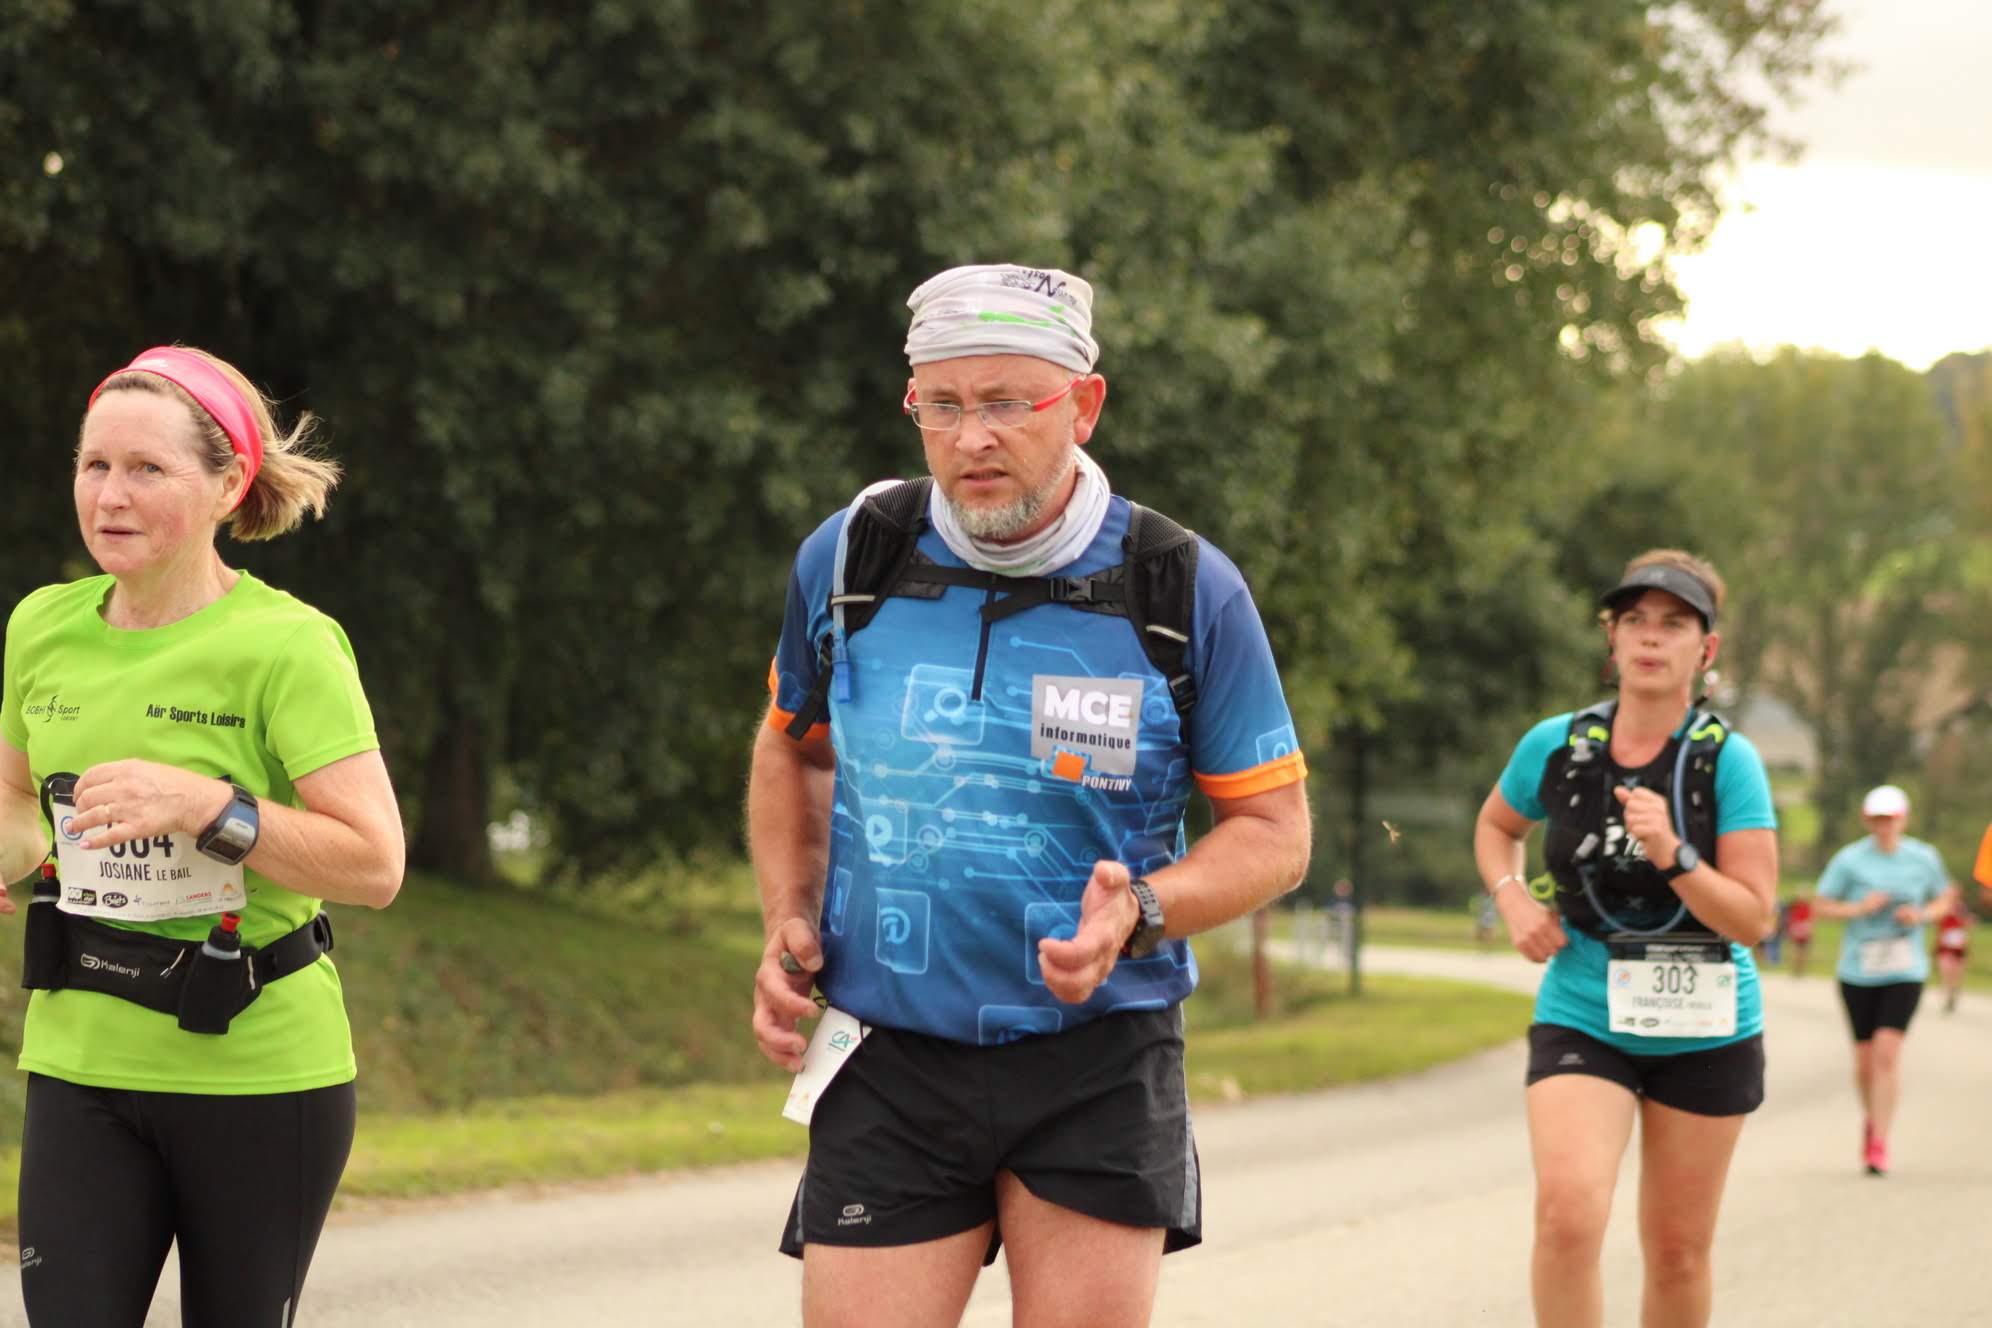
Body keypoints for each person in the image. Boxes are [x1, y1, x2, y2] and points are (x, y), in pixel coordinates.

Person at [747, 264, 1311, 1328]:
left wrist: (1142, 910)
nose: (972, 438)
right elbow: (794, 749)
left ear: (1083, 405)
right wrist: (789, 910)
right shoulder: (854, 554)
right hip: (888, 1047)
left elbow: (1275, 832)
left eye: (1008, 402)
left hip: (1099, 1052)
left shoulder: (1180, 583)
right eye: (943, 405)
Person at [0, 346, 405, 1325]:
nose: (111, 495)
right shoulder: (42, 625)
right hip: (81, 1058)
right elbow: (15, 803)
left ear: (228, 486)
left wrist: (208, 807)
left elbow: (375, 863)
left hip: (257, 1068)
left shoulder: (288, 645)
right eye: (94, 465)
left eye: (147, 468)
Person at [1472, 550, 1778, 1328]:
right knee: (1568, 1216)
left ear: (1705, 649)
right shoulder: (1559, 744)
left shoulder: (1727, 761)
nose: (1650, 636)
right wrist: (1513, 900)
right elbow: (1497, 827)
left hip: (1708, 1023)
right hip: (1585, 1008)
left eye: (1673, 624)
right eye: (1633, 620)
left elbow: (1754, 919)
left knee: (1677, 1251)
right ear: (1611, 638)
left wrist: (1674, 853)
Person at [1811, 783, 1954, 1175]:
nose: (1884, 826)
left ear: (1903, 819)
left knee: (1887, 1053)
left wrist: (1920, 915)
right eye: (1877, 819)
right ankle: (1873, 1119)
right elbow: (1820, 905)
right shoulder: (1849, 860)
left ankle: (1880, 1142)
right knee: (1865, 1060)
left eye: (1890, 819)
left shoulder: (1924, 858)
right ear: (1866, 820)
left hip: (1905, 969)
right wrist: (1859, 908)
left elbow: (1945, 899)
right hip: (1859, 970)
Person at [1933, 895, 1970, 1014]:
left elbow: (1965, 935)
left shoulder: (1962, 918)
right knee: (1945, 975)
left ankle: (1952, 995)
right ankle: (1947, 997)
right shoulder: (1944, 917)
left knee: (1957, 976)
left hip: (1959, 952)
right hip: (1945, 951)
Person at [1785, 891, 1815, 977]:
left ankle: (1798, 970)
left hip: (1801, 929)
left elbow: (1809, 919)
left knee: (1800, 951)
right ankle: (1797, 969)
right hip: (1800, 929)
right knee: (1799, 951)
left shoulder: (1801, 907)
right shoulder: (1796, 906)